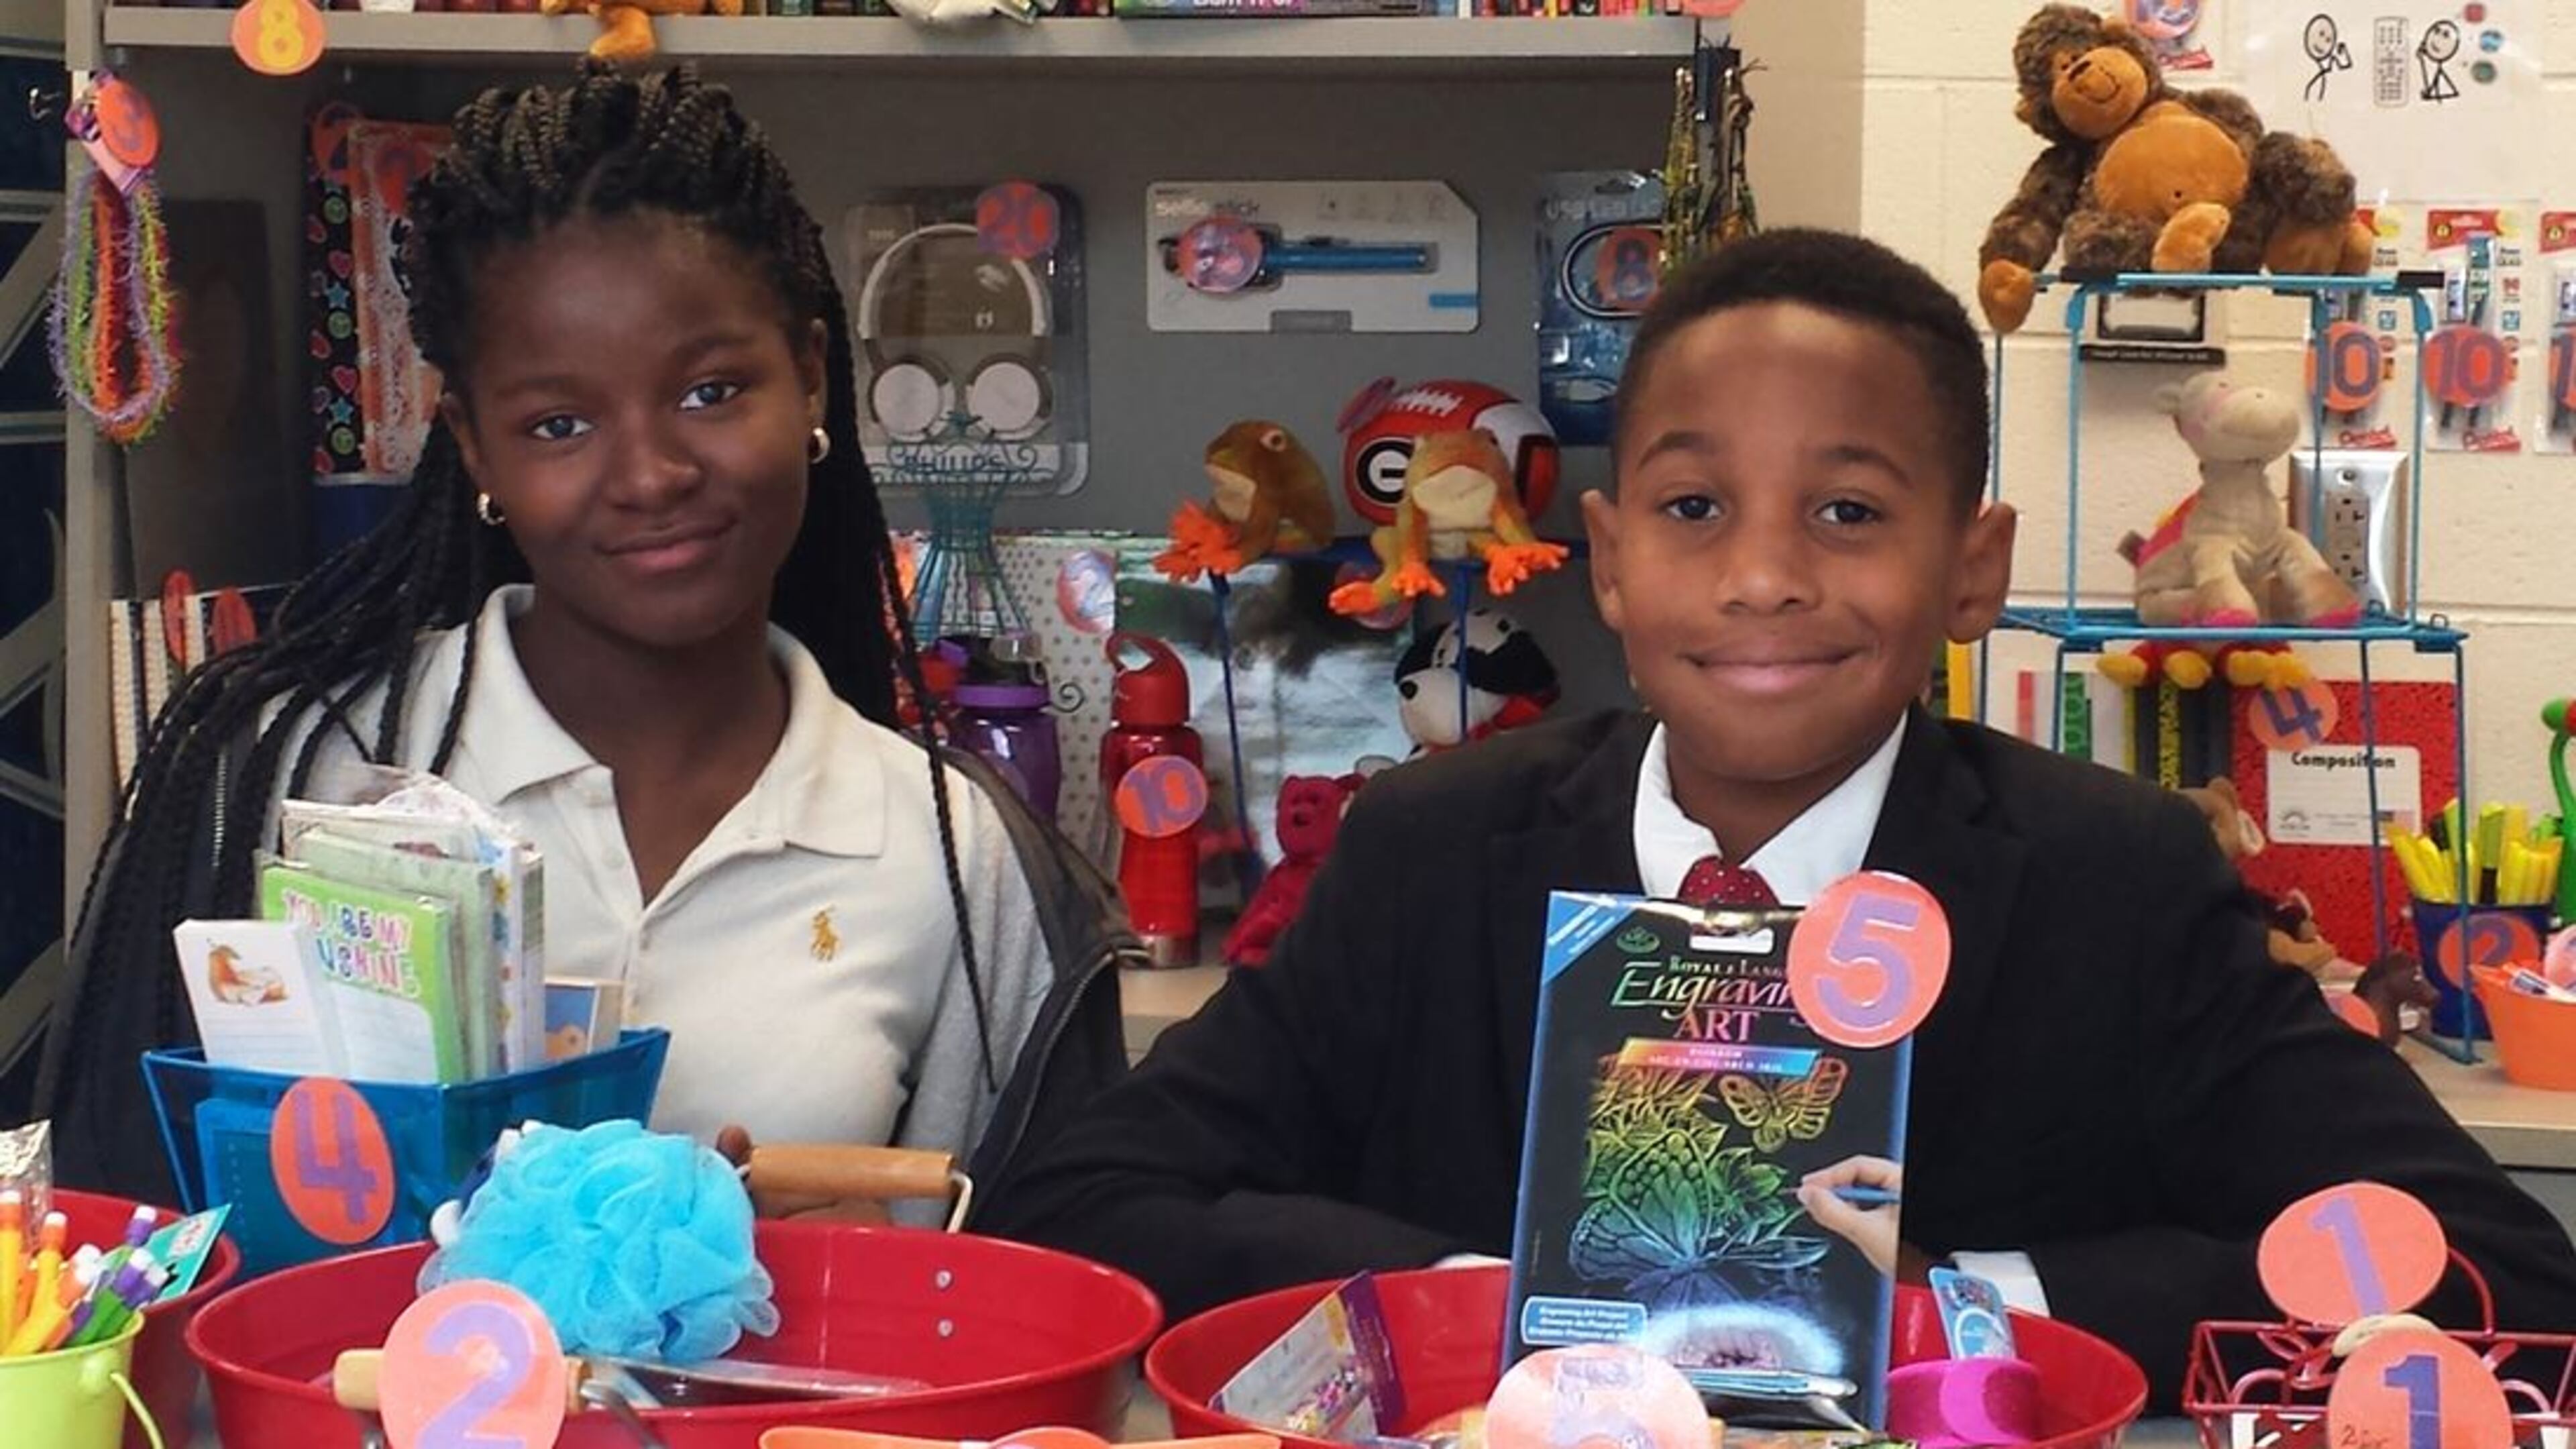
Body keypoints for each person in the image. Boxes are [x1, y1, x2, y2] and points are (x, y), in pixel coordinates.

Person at [983, 228, 2576, 1403]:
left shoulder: (2114, 884)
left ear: (1974, 566)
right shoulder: (1435, 854)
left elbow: (2494, 1278)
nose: (1761, 575)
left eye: (1850, 512)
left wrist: (1961, 1317)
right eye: (1693, 509)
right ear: (1608, 559)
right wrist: (1490, 1306)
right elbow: (1083, 1206)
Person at [36, 65, 1070, 1222]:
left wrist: (819, 1264)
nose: (651, 475)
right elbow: (129, 1277)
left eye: (714, 390)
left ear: (815, 378)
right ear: (474, 446)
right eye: (559, 424)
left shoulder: (945, 851)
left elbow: (990, 1306)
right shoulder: (298, 778)